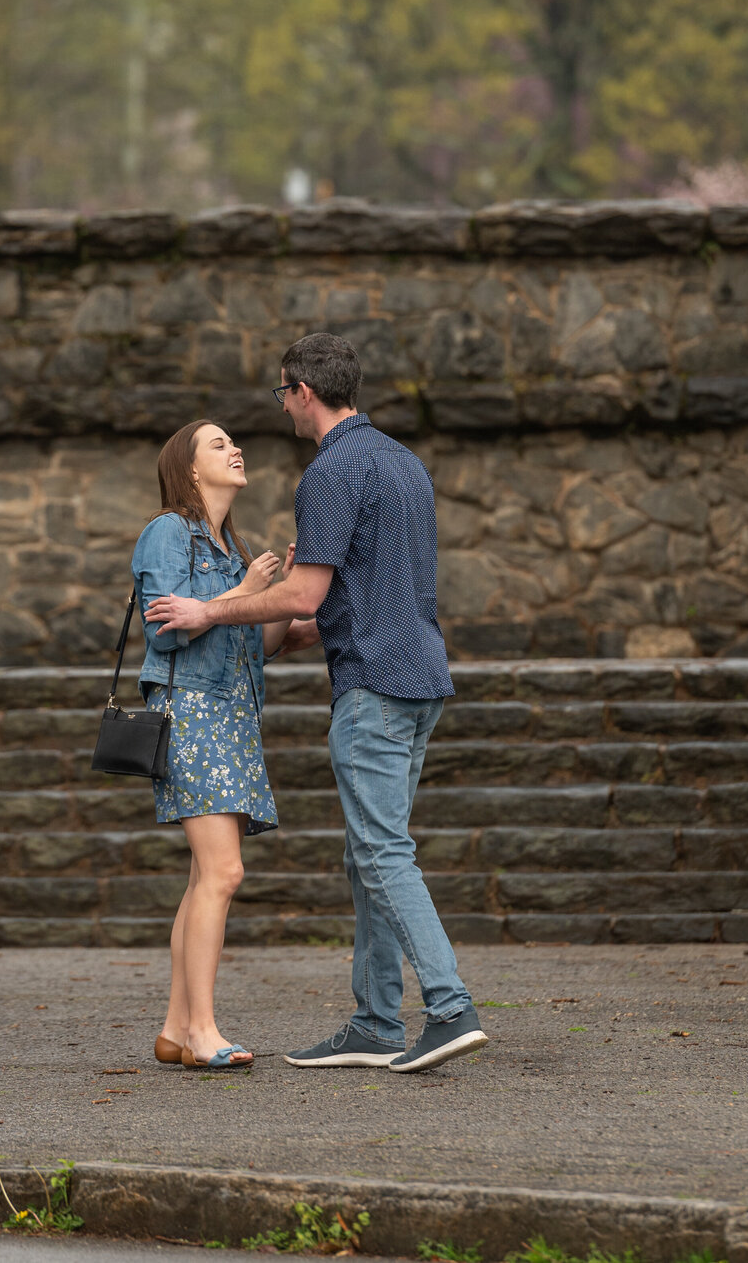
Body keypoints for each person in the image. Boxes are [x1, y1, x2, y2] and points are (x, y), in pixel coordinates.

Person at [147, 332, 487, 1075]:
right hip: (423, 676)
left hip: (373, 686)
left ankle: (450, 1006)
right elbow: (332, 607)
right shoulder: (405, 463)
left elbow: (304, 594)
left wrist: (209, 612)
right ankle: (372, 1021)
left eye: (282, 394)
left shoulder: (329, 472)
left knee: (381, 851)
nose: (283, 409)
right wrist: (277, 619)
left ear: (302, 391)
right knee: (369, 853)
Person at [133, 418, 304, 1071]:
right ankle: (203, 1031)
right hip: (190, 712)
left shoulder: (233, 547)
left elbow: (249, 644)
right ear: (189, 467)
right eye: (218, 444)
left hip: (232, 716)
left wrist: (283, 605)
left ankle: (178, 1029)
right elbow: (166, 629)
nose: (235, 448)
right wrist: (246, 593)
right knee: (225, 872)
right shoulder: (167, 532)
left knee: (208, 874)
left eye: (234, 441)